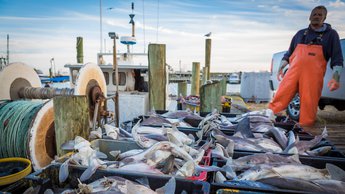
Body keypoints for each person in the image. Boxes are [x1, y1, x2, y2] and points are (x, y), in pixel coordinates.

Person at [269, 5, 343, 127]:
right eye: (314, 14)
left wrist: (336, 77)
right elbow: (289, 54)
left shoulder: (331, 35)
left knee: (309, 102)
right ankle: (266, 119)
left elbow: (337, 58)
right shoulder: (300, 34)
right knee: (280, 95)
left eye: (320, 15)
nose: (316, 16)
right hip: (293, 73)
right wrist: (281, 67)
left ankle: (306, 129)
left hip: (313, 76)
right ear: (309, 17)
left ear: (324, 18)